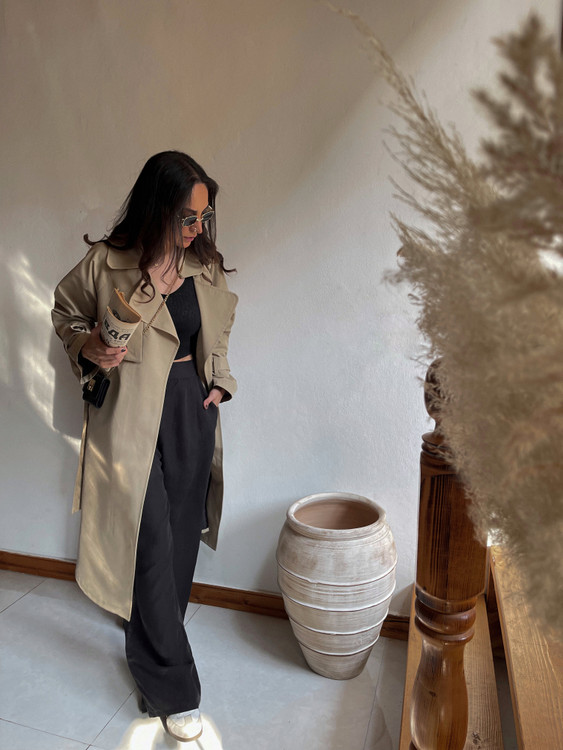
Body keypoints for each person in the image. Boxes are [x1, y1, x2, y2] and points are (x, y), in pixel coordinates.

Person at [51, 150, 238, 743]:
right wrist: (88, 344)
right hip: (129, 412)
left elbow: (218, 328)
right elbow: (65, 312)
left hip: (188, 405)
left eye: (203, 217)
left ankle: (153, 636)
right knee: (150, 539)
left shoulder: (203, 264)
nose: (197, 229)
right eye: (187, 217)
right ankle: (174, 688)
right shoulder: (107, 262)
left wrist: (219, 380)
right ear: (158, 208)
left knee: (178, 540)